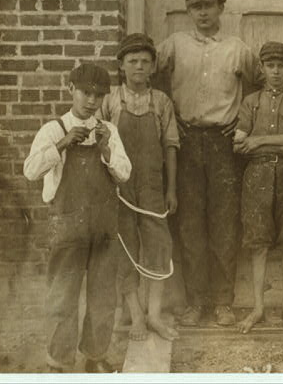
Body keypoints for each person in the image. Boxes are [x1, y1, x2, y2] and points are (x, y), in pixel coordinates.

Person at [156, 0, 263, 326]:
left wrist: (244, 121)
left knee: (224, 223)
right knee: (189, 224)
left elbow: (260, 88)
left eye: (209, 5)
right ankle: (195, 301)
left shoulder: (237, 49)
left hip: (222, 144)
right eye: (196, 6)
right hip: (186, 140)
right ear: (188, 11)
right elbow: (146, 74)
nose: (202, 12)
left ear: (221, 9)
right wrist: (169, 113)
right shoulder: (174, 45)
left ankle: (222, 301)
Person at [24, 64, 131, 373]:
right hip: (67, 227)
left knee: (102, 296)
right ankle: (57, 361)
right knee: (62, 296)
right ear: (71, 88)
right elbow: (30, 171)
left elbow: (125, 173)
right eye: (86, 93)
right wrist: (62, 144)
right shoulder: (53, 129)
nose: (92, 101)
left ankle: (95, 357)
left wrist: (106, 150)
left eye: (99, 95)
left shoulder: (108, 130)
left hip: (103, 228)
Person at [98, 33, 180, 341]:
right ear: (121, 66)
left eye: (146, 61)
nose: (139, 67)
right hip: (119, 188)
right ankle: (136, 318)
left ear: (153, 66)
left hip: (152, 187)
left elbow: (170, 146)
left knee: (158, 246)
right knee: (125, 247)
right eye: (133, 61)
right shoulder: (108, 101)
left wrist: (171, 189)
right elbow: (98, 147)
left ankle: (155, 315)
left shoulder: (161, 102)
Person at [233, 41, 283, 334]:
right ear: (262, 69)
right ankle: (258, 307)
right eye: (270, 66)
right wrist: (277, 146)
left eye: (281, 66)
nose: (276, 72)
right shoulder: (251, 102)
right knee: (258, 241)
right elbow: (239, 143)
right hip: (258, 177)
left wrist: (261, 140)